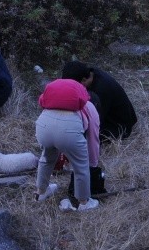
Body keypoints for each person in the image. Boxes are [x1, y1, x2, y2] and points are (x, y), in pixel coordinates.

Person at [34, 77, 100, 211]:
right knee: (80, 166)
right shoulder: (87, 106)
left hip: (43, 124)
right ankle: (84, 202)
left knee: (46, 158)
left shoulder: (49, 102)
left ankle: (41, 192)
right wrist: (93, 161)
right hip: (69, 128)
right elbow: (93, 134)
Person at [61, 61, 137, 141]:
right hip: (110, 115)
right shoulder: (92, 73)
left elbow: (95, 122)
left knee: (76, 136)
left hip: (119, 126)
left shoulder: (100, 90)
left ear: (83, 80)